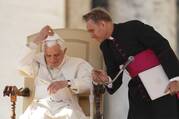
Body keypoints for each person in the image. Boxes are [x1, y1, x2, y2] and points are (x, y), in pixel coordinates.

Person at [83, 8, 179, 119]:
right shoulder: (105, 47)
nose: (91, 36)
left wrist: (175, 79)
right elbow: (114, 76)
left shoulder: (134, 27)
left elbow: (162, 47)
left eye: (92, 30)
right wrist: (107, 80)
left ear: (102, 24)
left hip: (162, 84)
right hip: (138, 92)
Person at [19, 26, 93, 119]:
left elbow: (90, 82)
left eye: (56, 55)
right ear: (44, 53)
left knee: (70, 115)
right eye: (48, 56)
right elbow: (21, 64)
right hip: (40, 106)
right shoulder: (37, 61)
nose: (52, 60)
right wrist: (38, 38)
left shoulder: (77, 64)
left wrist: (68, 83)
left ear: (64, 51)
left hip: (66, 106)